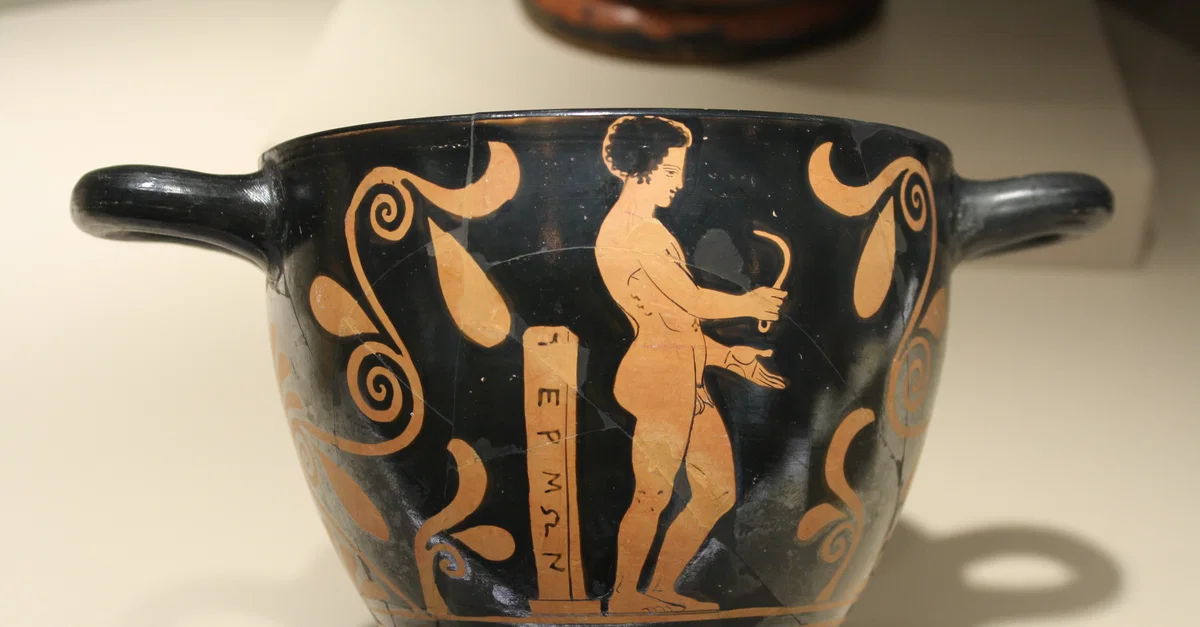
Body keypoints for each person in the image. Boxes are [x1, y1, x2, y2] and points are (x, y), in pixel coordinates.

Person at [595, 115, 789, 613]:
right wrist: (749, 303)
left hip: (681, 369)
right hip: (660, 376)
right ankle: (624, 595)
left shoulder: (646, 229)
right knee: (653, 494)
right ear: (640, 168)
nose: (679, 183)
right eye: (669, 171)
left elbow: (676, 320)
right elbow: (691, 301)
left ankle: (660, 586)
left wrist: (731, 357)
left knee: (716, 490)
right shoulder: (636, 232)